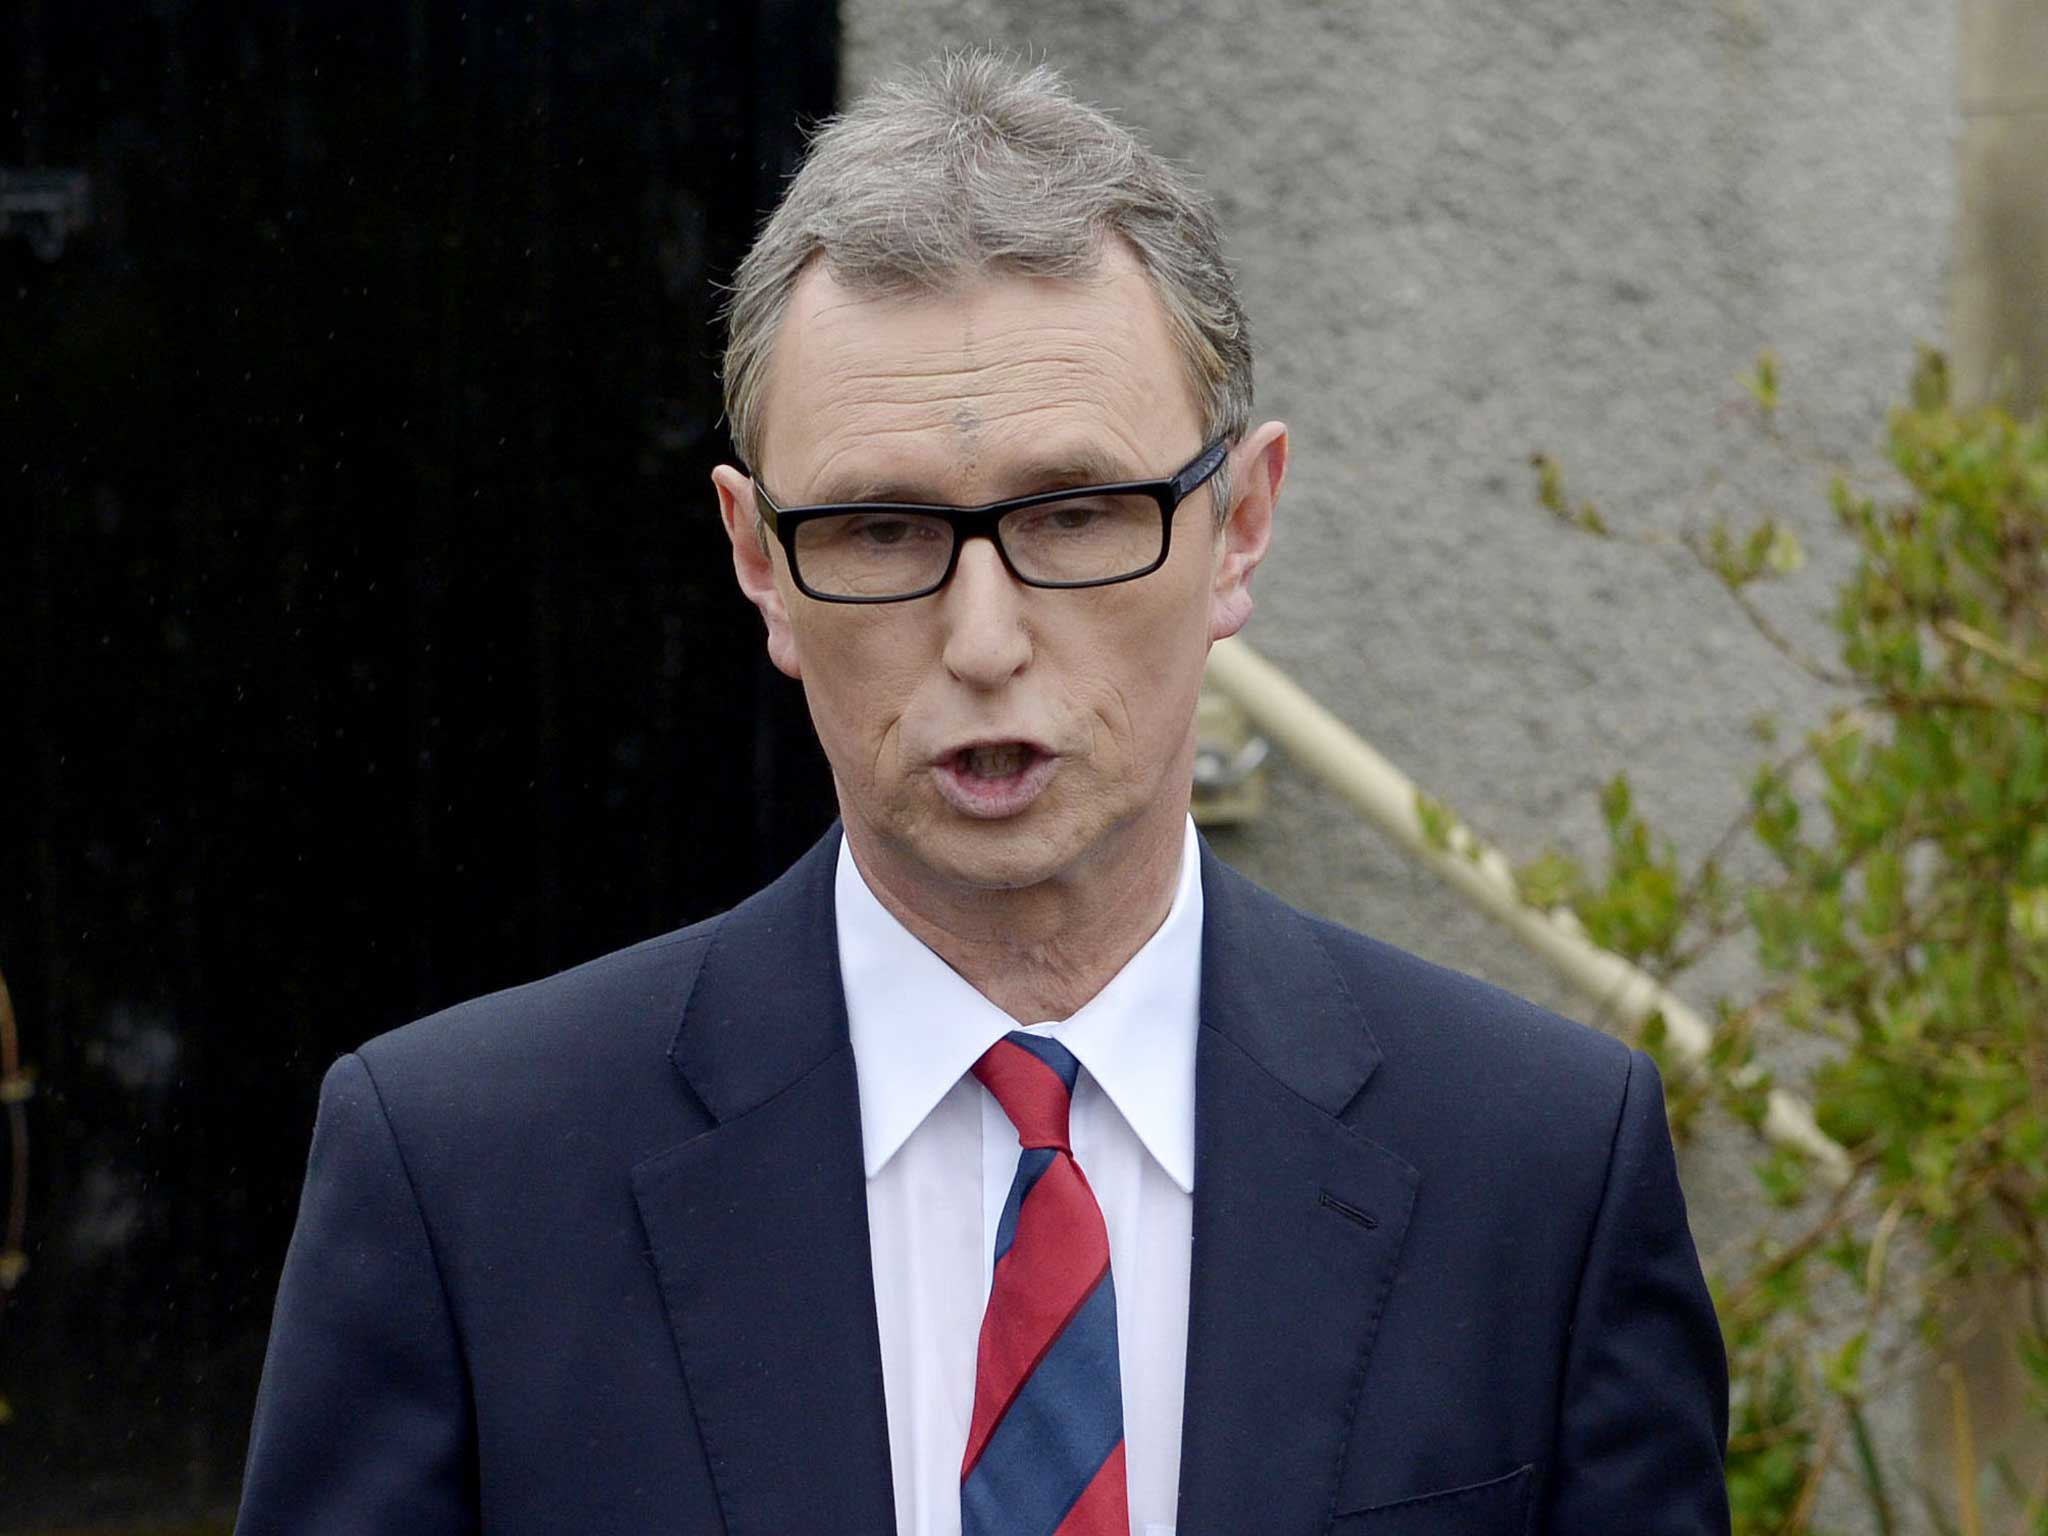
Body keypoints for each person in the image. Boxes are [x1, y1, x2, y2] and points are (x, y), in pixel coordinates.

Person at [238, 50, 1729, 1536]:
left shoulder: (1538, 1168)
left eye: (1077, 515)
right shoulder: (460, 1182)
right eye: (882, 531)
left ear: (1244, 525)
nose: (985, 639)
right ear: (759, 561)